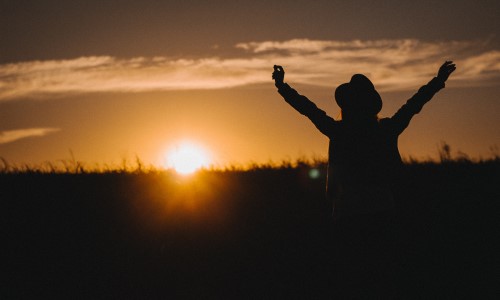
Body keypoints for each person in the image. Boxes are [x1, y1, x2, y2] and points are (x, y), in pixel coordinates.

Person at [272, 61, 456, 296]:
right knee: (382, 278)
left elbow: (308, 109)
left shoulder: (339, 130)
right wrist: (438, 81)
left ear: (346, 105)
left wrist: (282, 87)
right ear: (371, 106)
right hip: (383, 210)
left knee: (352, 280)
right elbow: (414, 104)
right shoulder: (385, 129)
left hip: (348, 213)